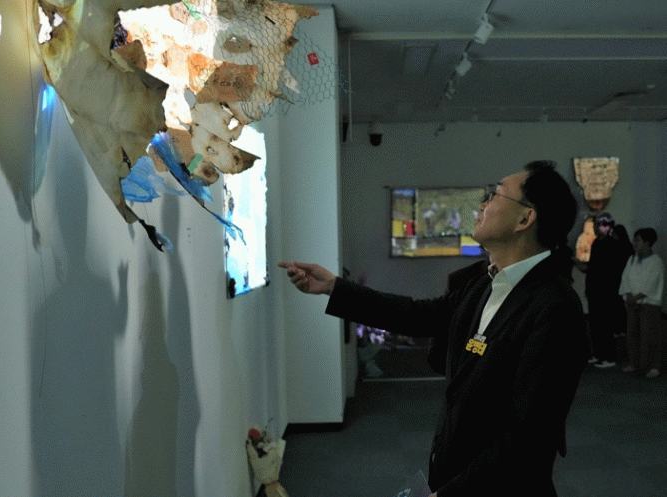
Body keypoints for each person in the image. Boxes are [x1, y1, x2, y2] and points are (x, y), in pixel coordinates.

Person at [279, 161, 589, 496]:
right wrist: (334, 288)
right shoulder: (484, 286)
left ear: (525, 219)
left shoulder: (555, 307)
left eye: (495, 194)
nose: (482, 204)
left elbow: (528, 437)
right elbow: (417, 315)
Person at [582, 213, 630, 368]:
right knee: (596, 324)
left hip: (605, 292)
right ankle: (599, 353)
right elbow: (594, 267)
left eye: (598, 225)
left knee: (604, 325)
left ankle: (609, 357)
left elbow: (609, 271)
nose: (595, 228)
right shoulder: (597, 242)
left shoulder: (611, 244)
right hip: (595, 291)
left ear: (607, 227)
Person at [619, 228, 664, 378]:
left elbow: (652, 282)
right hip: (632, 303)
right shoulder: (632, 259)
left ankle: (653, 366)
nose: (634, 243)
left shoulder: (656, 261)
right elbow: (625, 278)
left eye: (637, 240)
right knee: (632, 335)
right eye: (634, 239)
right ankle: (635, 363)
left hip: (648, 304)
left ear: (647, 242)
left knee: (649, 335)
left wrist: (637, 297)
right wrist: (629, 295)